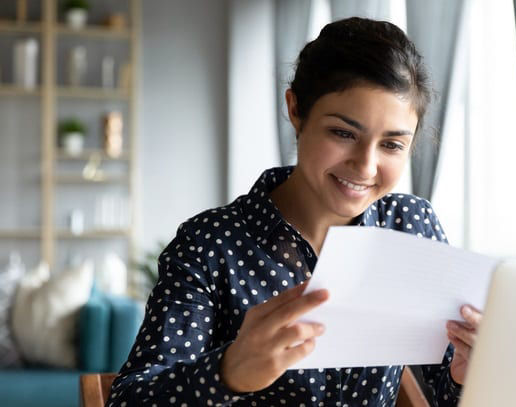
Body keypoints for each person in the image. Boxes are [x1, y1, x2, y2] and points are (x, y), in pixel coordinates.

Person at [107, 17, 482, 407]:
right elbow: (129, 399)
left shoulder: (411, 227)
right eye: (343, 133)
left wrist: (469, 377)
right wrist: (227, 373)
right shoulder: (209, 244)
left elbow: (446, 390)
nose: (366, 167)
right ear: (296, 110)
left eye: (391, 145)